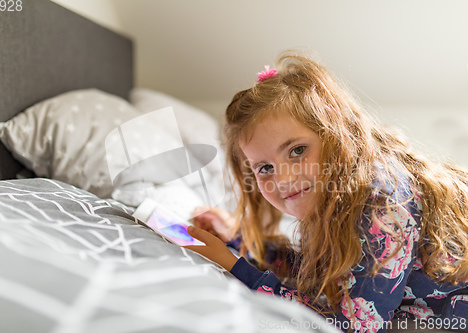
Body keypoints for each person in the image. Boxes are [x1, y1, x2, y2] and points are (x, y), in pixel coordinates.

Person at [184, 51, 468, 332]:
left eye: (297, 150)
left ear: (336, 136)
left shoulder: (383, 202)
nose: (283, 178)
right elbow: (328, 276)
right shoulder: (334, 200)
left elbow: (355, 326)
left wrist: (236, 268)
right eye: (265, 168)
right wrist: (239, 241)